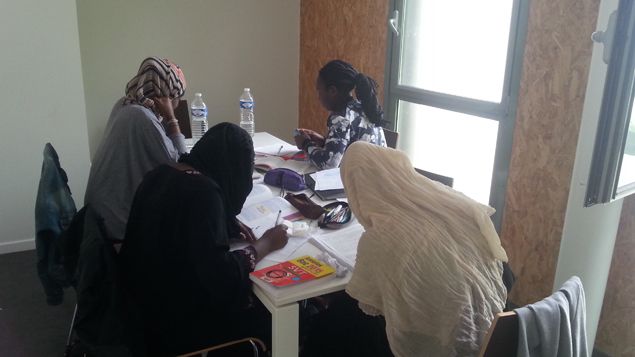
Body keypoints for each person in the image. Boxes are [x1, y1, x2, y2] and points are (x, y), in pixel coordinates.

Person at [119, 123, 288, 356]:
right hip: (175, 329)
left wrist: (224, 223)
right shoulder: (204, 194)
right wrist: (266, 244)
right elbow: (223, 278)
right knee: (275, 318)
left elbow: (178, 228)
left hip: (139, 311)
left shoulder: (162, 173)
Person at [338, 142, 509, 357]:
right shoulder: (445, 202)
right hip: (495, 324)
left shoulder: (381, 238)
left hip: (447, 340)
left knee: (339, 318)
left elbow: (366, 299)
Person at [84, 56, 188, 241]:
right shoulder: (143, 119)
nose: (178, 102)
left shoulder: (126, 104)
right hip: (118, 227)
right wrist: (172, 119)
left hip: (98, 218)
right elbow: (183, 166)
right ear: (165, 96)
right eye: (177, 97)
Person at [294, 59, 387, 170]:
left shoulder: (340, 118)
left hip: (363, 184)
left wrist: (306, 143)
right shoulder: (363, 107)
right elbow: (345, 147)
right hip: (380, 178)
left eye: (319, 91)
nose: (318, 97)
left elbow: (329, 164)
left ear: (332, 91)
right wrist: (324, 142)